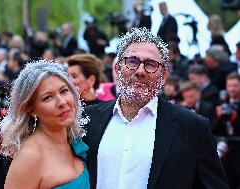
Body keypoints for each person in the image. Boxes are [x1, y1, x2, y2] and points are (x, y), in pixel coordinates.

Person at [83, 27, 229, 189]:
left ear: (164, 76)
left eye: (151, 64)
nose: (140, 71)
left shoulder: (192, 127)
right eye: (132, 62)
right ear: (117, 70)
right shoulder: (88, 119)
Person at [0, 60, 89, 189]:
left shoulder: (76, 140)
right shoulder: (30, 157)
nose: (62, 102)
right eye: (47, 97)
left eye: (64, 91)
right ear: (32, 109)